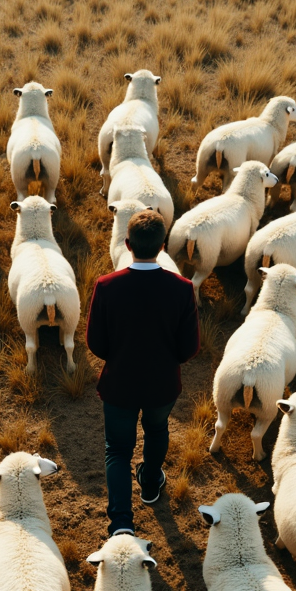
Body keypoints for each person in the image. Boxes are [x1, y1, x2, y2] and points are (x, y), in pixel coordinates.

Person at [86, 209, 201, 537]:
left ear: (127, 244)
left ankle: (121, 523)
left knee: (118, 449)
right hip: (162, 385)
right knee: (156, 429)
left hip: (119, 384)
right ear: (163, 245)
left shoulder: (106, 286)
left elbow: (95, 342)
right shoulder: (181, 288)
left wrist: (119, 357)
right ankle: (151, 483)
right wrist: (166, 360)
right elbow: (189, 347)